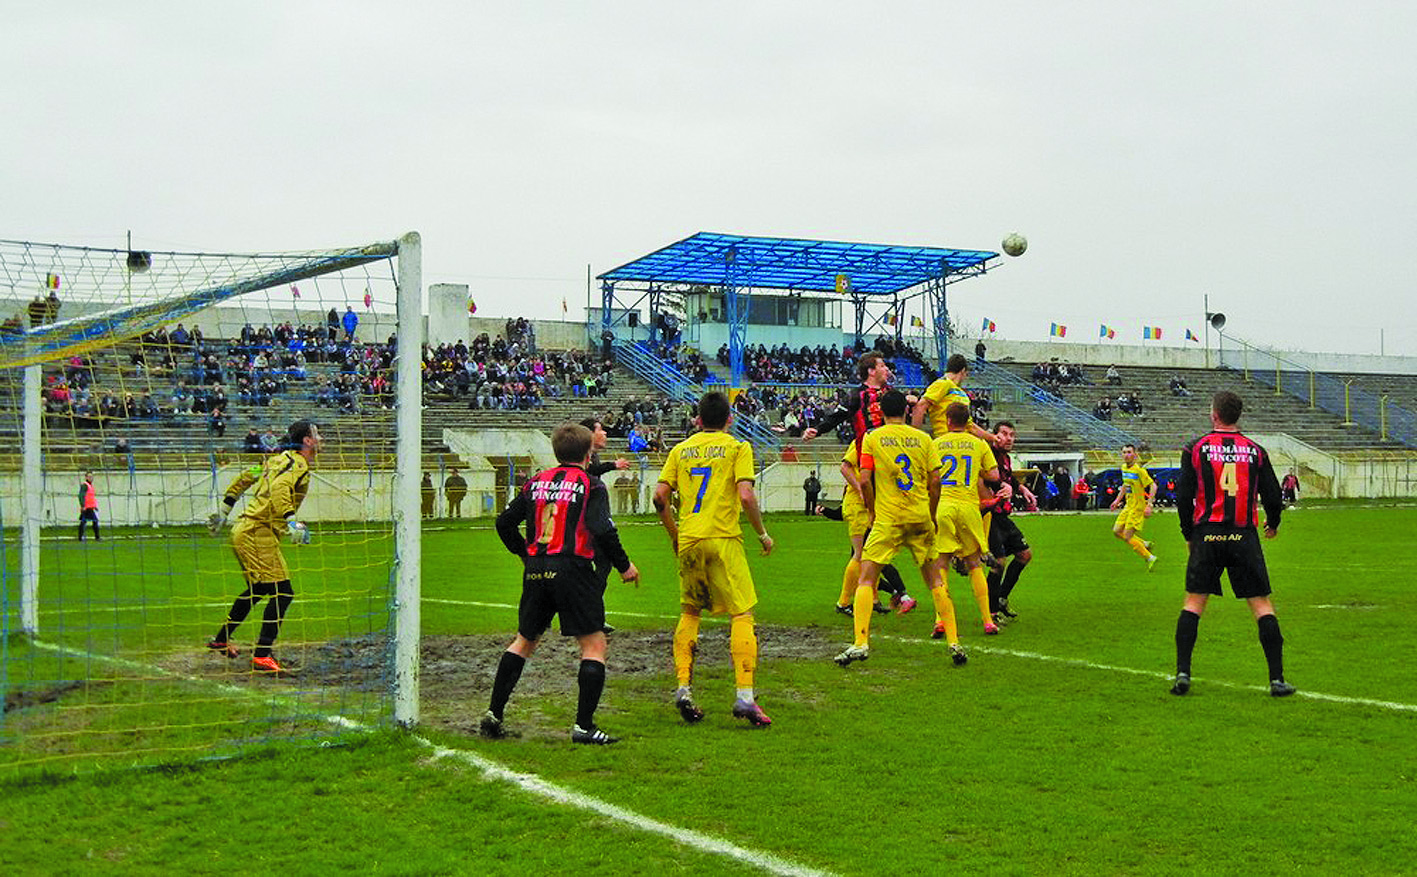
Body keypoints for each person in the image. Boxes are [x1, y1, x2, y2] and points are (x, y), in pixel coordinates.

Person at [481, 423, 639, 744]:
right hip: (573, 568)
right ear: (588, 452)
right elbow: (602, 529)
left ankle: (494, 713)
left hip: (537, 570)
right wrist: (624, 566)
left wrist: (525, 554)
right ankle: (584, 726)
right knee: (594, 644)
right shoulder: (591, 485)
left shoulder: (535, 482)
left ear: (556, 452)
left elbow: (504, 523)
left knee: (524, 641)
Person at [653, 391, 774, 727]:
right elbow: (746, 495)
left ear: (698, 419)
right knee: (742, 613)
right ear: (730, 419)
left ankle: (683, 688)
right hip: (722, 538)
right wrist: (762, 534)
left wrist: (675, 534)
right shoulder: (738, 447)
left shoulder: (680, 450)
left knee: (690, 612)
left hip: (690, 539)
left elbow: (660, 496)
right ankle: (745, 697)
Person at [1170, 391, 1293, 697]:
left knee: (1194, 602)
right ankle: (1277, 680)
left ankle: (1183, 674)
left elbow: (1184, 496)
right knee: (1262, 605)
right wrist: (1273, 523)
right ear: (1238, 416)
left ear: (1214, 414)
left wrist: (1188, 533)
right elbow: (1273, 495)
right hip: (1243, 534)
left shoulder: (1196, 448)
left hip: (1207, 534)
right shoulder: (1255, 450)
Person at [834, 391, 964, 668]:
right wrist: (930, 513)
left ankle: (860, 643)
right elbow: (936, 482)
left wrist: (871, 511)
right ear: (906, 411)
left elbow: (865, 480)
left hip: (888, 518)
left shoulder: (872, 438)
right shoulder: (924, 439)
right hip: (919, 517)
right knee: (936, 582)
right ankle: (954, 642)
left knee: (867, 578)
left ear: (879, 411)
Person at [205, 420, 321, 674]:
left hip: (252, 531)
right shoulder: (298, 463)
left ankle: (221, 639)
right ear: (307, 440)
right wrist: (291, 521)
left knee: (259, 589)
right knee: (283, 593)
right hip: (257, 532)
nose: (320, 438)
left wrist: (225, 510)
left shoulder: (272, 461)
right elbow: (280, 488)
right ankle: (262, 655)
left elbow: (244, 479)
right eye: (316, 434)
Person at [928, 402, 1002, 644]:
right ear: (967, 421)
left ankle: (941, 619)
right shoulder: (979, 443)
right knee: (974, 564)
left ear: (948, 420)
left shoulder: (937, 443)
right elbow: (994, 476)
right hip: (970, 506)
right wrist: (976, 472)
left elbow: (932, 477)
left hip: (945, 506)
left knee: (941, 563)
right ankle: (987, 621)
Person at [983, 421, 1037, 623]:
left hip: (1002, 516)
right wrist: (1001, 486)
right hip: (990, 514)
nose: (1008, 438)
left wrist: (1022, 488)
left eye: (1012, 435)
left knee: (1024, 555)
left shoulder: (1004, 457)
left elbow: (1007, 477)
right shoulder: (987, 453)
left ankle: (1002, 598)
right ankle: (991, 612)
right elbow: (986, 477)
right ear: (994, 435)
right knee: (998, 562)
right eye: (1004, 434)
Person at [911, 353, 995, 445]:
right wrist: (915, 439)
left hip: (963, 442)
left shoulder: (960, 392)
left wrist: (993, 438)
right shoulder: (942, 384)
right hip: (945, 441)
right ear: (963, 371)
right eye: (966, 374)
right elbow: (920, 406)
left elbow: (970, 426)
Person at [1110, 443, 1159, 569]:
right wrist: (1117, 500)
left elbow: (1153, 486)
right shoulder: (1124, 468)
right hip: (1128, 506)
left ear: (1135, 455)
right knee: (1116, 531)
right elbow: (1125, 486)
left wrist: (1149, 505)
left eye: (1129, 452)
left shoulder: (1139, 470)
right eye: (1124, 452)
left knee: (1127, 536)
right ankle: (1144, 543)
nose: (1126, 455)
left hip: (1137, 507)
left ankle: (1150, 557)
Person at [78, 472, 100, 541]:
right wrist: (83, 505)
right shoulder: (85, 485)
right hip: (86, 507)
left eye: (91, 477)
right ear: (86, 477)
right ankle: (97, 537)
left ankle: (80, 537)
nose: (91, 478)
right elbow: (81, 496)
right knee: (94, 521)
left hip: (90, 507)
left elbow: (91, 497)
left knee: (84, 522)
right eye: (89, 477)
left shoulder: (90, 486)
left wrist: (95, 506)